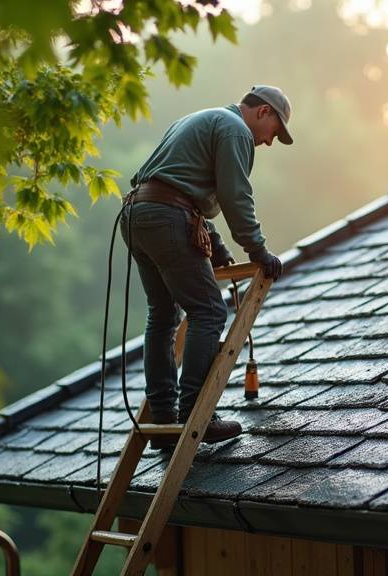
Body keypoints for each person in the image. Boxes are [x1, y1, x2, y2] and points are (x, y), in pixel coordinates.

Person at [120, 85, 291, 448]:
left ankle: (163, 418)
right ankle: (197, 414)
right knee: (209, 311)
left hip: (137, 215)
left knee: (163, 315)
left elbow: (180, 186)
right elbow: (235, 195)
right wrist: (258, 251)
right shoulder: (235, 130)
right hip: (167, 216)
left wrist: (215, 244)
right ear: (263, 112)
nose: (270, 141)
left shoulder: (201, 119)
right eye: (275, 131)